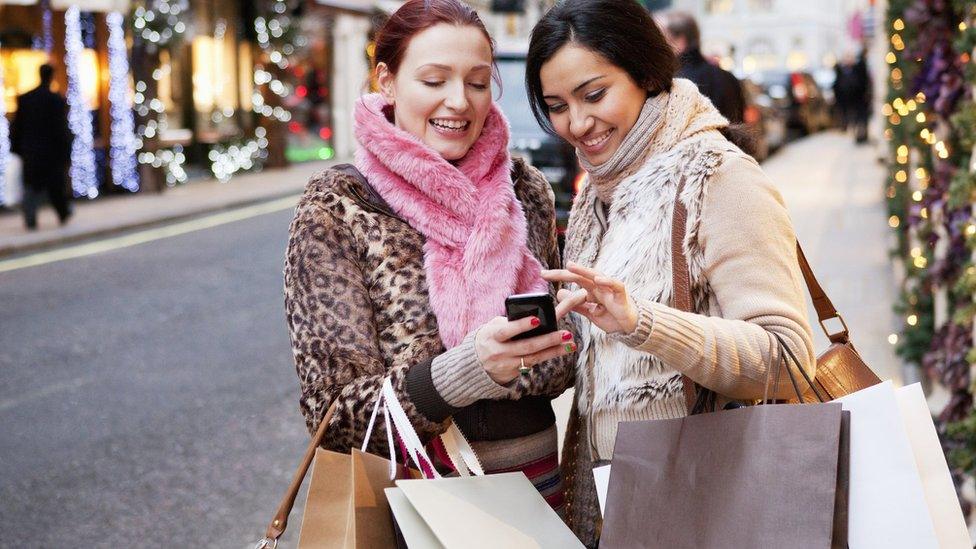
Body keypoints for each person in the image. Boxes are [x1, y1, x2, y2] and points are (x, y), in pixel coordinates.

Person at [525, 0, 815, 544]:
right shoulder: (600, 196)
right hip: (611, 501)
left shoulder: (719, 177)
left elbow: (786, 358)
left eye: (594, 94)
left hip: (707, 497)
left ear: (648, 75)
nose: (578, 123)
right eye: (557, 105)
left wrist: (644, 323)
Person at [284, 0, 576, 510]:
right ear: (387, 81)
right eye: (434, 80)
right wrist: (467, 370)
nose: (459, 102)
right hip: (413, 506)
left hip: (537, 494)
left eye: (478, 82)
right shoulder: (338, 207)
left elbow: (560, 359)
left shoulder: (523, 191)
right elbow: (334, 415)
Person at [10, 63, 72, 230]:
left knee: (31, 185)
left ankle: (31, 218)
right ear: (51, 76)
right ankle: (63, 213)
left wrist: (17, 148)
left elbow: (17, 126)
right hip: (51, 152)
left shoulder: (26, 99)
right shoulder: (55, 100)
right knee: (55, 186)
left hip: (31, 151)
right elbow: (61, 129)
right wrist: (66, 152)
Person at [658, 10, 745, 124]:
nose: (655, 43)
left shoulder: (676, 81)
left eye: (661, 37)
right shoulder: (728, 77)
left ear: (680, 41)